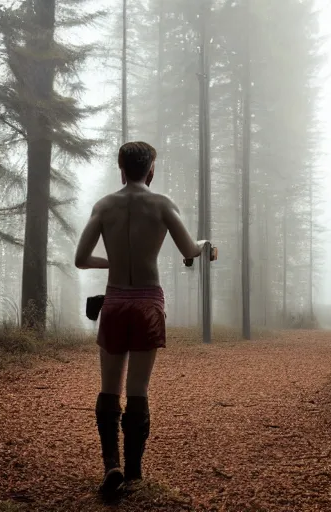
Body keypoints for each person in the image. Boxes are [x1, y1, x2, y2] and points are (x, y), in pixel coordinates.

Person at [74, 141, 209, 494]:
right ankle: (133, 472)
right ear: (151, 170)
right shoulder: (162, 204)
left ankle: (111, 466)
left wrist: (114, 263)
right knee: (138, 389)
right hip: (148, 302)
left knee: (109, 388)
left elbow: (81, 259)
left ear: (121, 169)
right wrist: (205, 245)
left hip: (116, 301)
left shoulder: (104, 206)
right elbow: (189, 249)